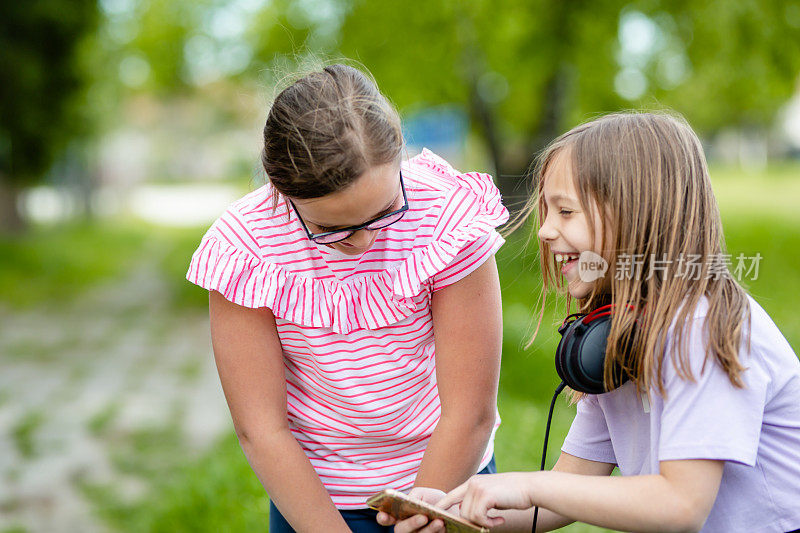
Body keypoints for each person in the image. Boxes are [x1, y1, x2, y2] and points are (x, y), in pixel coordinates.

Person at [384, 112, 800, 533]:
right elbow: (570, 488)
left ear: (637, 214)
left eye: (565, 211)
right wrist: (454, 509)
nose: (545, 231)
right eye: (546, 211)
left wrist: (533, 487)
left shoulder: (700, 325)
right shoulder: (613, 334)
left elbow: (681, 504)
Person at [186, 63, 509, 532]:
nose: (362, 243)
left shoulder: (446, 219)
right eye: (329, 228)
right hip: (316, 504)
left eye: (383, 213)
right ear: (280, 189)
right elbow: (263, 429)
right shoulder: (246, 249)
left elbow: (470, 412)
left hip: (447, 486)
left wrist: (421, 516)